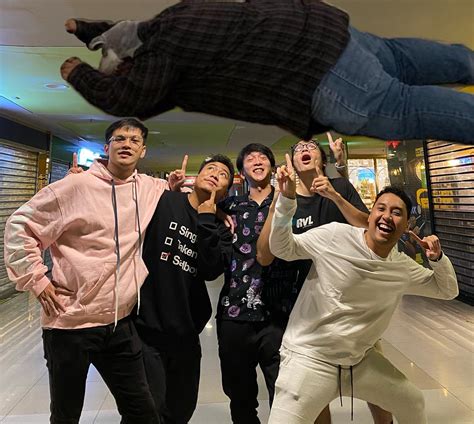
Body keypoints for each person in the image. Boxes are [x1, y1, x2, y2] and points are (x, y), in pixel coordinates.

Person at [60, 1, 473, 144]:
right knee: (400, 58)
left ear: (132, 63)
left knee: (403, 106)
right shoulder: (173, 17)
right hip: (327, 29)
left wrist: (78, 74)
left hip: (315, 77)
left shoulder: (161, 56)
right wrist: (86, 30)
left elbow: (124, 97)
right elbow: (122, 35)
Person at [3, 118, 172, 424]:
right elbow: (20, 226)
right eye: (119, 139)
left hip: (119, 324)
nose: (127, 144)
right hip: (69, 324)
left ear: (143, 150)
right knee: (66, 416)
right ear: (106, 147)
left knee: (142, 413)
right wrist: (37, 279)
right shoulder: (75, 186)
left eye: (134, 140)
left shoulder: (148, 188)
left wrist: (215, 207)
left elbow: (188, 192)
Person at [267, 163, 459, 423]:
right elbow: (282, 248)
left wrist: (437, 259)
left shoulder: (401, 267)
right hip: (309, 358)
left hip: (359, 362)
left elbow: (447, 290)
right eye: (381, 209)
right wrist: (287, 201)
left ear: (406, 225)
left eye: (397, 213)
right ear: (369, 216)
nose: (387, 216)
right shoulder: (335, 236)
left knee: (412, 402)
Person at [257, 136, 393, 423]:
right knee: (312, 384)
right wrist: (280, 201)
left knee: (373, 374)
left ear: (322, 159)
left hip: (349, 300)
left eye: (311, 147)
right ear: (293, 163)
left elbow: (369, 228)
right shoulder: (286, 197)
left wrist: (335, 195)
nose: (304, 150)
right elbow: (265, 255)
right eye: (299, 149)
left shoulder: (339, 187)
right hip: (303, 305)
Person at [135, 154, 234, 424]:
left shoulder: (222, 228)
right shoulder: (164, 201)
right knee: (146, 411)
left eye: (223, 174)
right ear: (196, 175)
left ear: (226, 191)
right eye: (210, 168)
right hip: (146, 329)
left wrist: (207, 220)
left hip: (186, 333)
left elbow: (211, 270)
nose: (214, 174)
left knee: (180, 410)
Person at [216, 143, 283, 424]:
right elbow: (197, 210)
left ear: (272, 166)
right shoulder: (230, 206)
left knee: (284, 391)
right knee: (239, 393)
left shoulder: (287, 201)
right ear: (242, 172)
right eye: (250, 158)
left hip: (279, 312)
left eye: (263, 157)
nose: (257, 161)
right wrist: (217, 212)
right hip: (235, 311)